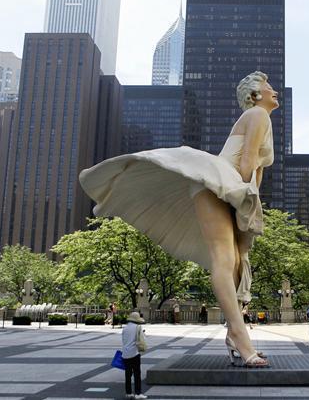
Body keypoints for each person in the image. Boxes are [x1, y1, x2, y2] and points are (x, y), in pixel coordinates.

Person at [80, 71, 278, 368]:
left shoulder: (260, 117)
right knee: (224, 260)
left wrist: (248, 205)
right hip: (220, 183)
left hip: (226, 186)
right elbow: (248, 160)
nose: (274, 90)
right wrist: (245, 200)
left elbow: (256, 166)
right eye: (268, 87)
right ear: (255, 95)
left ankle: (233, 335)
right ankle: (239, 334)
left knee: (236, 263)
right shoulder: (258, 115)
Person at [122, 312, 147, 399]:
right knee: (137, 374)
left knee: (127, 374)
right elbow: (142, 339)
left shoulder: (125, 328)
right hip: (134, 353)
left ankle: (128, 393)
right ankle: (138, 393)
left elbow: (124, 341)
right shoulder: (138, 327)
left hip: (125, 354)